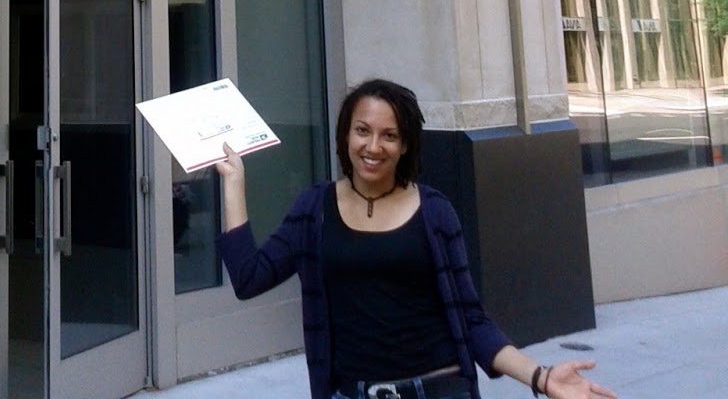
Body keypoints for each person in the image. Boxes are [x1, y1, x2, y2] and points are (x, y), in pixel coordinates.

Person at [215, 78, 617, 399]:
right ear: (345, 135)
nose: (373, 146)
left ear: (405, 144)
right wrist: (234, 181)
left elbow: (471, 319)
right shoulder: (314, 209)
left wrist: (541, 377)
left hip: (440, 389)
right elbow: (249, 277)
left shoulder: (435, 212)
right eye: (362, 131)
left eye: (389, 135)